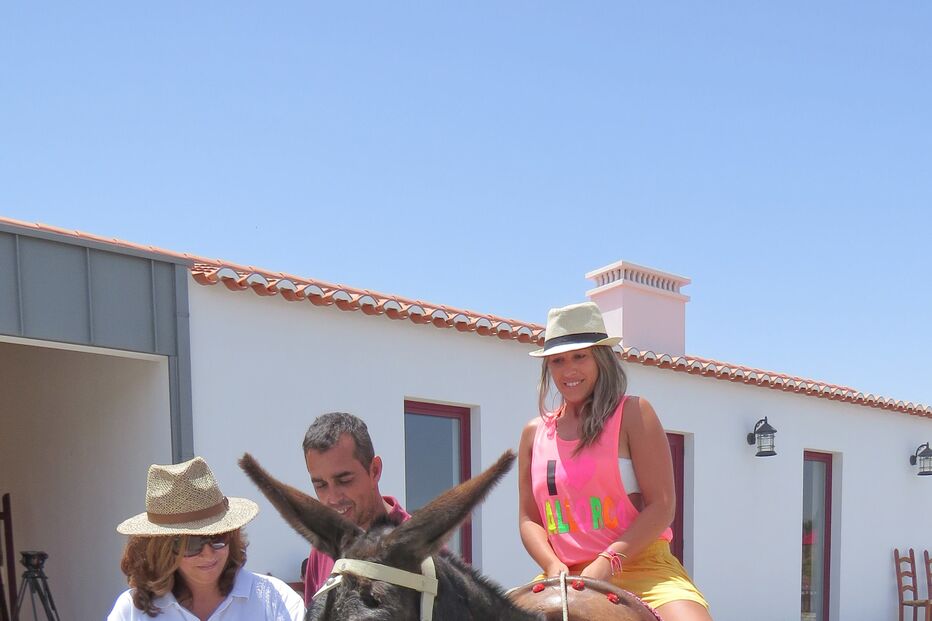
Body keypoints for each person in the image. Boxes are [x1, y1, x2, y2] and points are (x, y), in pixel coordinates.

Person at [518, 302, 712, 620]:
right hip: (563, 574)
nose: (568, 370)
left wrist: (604, 564)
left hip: (643, 569)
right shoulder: (533, 433)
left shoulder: (634, 414)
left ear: (601, 358)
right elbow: (529, 519)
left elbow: (662, 505)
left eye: (580, 356)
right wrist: (552, 565)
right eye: (558, 361)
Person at [107, 456, 305, 621]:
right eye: (192, 543)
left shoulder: (275, 598)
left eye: (218, 537)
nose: (208, 552)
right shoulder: (131, 611)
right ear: (163, 548)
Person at [301, 412, 410, 602]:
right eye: (320, 485)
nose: (332, 498)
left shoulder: (421, 549)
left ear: (374, 471)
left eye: (344, 480)